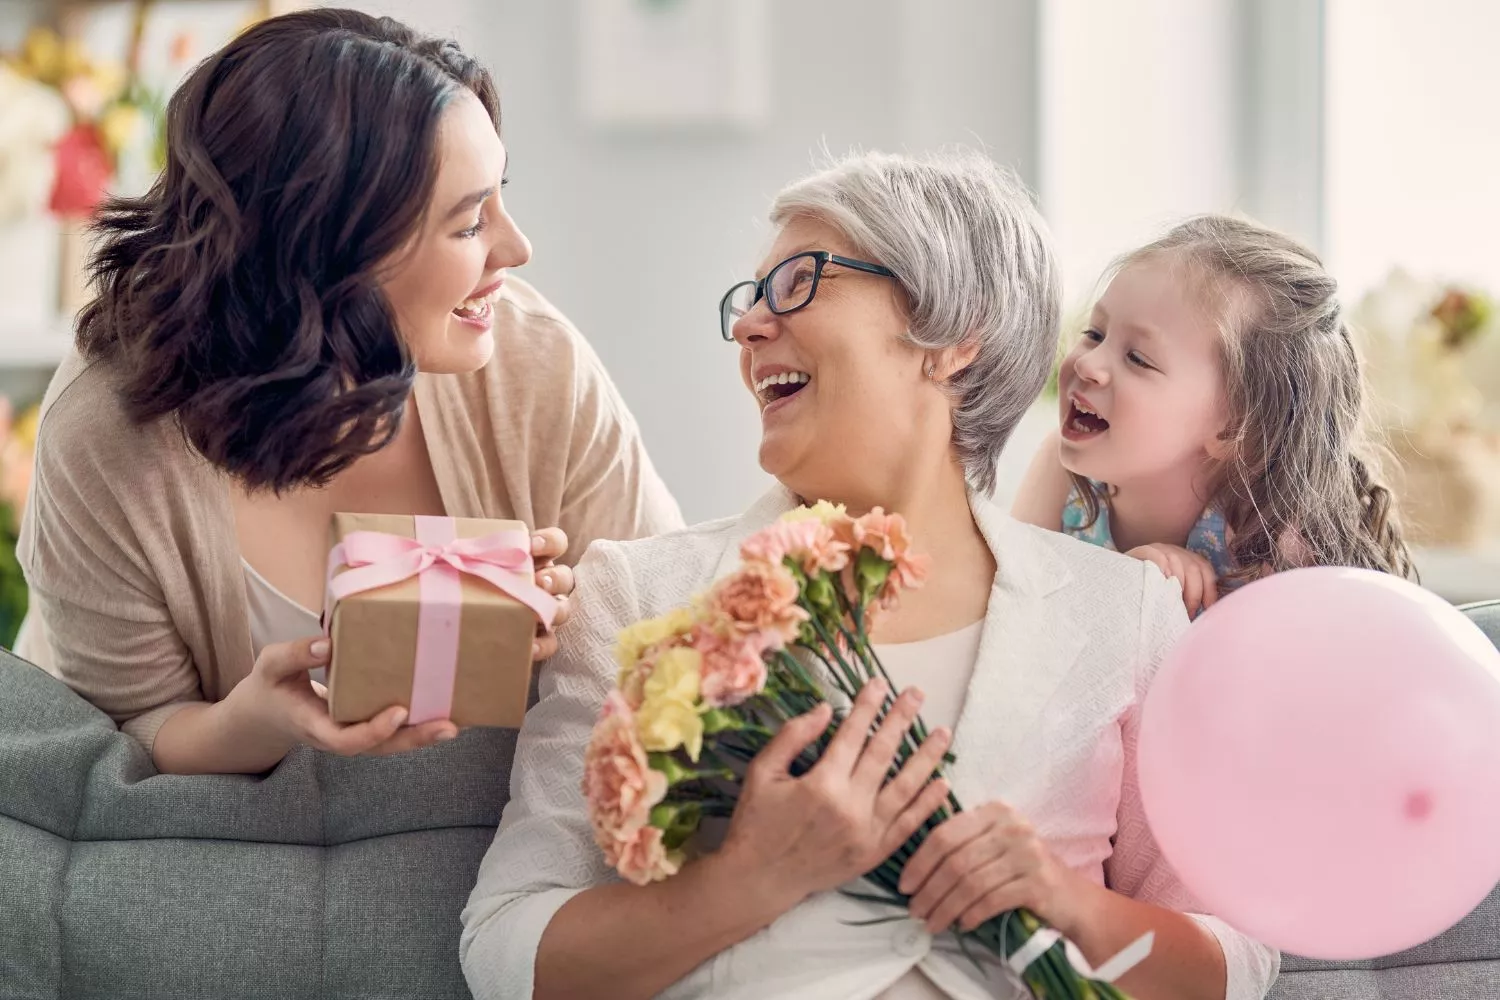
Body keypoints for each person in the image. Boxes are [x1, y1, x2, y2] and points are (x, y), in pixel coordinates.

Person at [460, 151, 1278, 1000]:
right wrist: (746, 882)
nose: (749, 328)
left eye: (801, 282)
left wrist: (1067, 904)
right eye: (750, 300)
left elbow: (1239, 962)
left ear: (958, 336)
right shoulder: (636, 594)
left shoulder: (1126, 614)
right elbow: (505, 945)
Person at [16, 9, 682, 776]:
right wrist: (259, 720)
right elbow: (127, 731)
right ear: (329, 253)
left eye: (500, 195)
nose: (518, 248)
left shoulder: (535, 366)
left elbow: (670, 639)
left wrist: (581, 630)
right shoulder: (107, 432)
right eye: (469, 224)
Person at [1012, 215, 1412, 615]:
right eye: (1095, 334)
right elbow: (1012, 619)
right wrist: (1121, 594)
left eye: (1137, 358)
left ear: (1235, 428)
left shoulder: (1270, 547)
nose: (1088, 364)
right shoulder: (1062, 473)